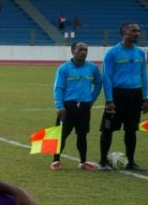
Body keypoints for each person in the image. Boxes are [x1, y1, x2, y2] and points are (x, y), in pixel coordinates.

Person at [98, 22, 147, 171]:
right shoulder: (112, 53)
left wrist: (145, 97)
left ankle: (131, 162)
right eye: (133, 31)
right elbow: (106, 76)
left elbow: (143, 75)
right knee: (107, 129)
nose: (137, 33)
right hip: (117, 95)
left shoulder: (140, 53)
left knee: (131, 130)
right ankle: (103, 161)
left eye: (138, 31)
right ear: (123, 32)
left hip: (135, 95)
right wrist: (109, 99)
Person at [51, 41, 103, 170]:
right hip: (68, 107)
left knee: (82, 135)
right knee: (62, 135)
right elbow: (58, 88)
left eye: (85, 50)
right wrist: (60, 106)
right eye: (80, 50)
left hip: (85, 107)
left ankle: (83, 162)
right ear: (73, 51)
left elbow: (98, 83)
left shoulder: (92, 68)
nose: (84, 52)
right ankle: (56, 160)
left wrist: (91, 99)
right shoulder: (64, 68)